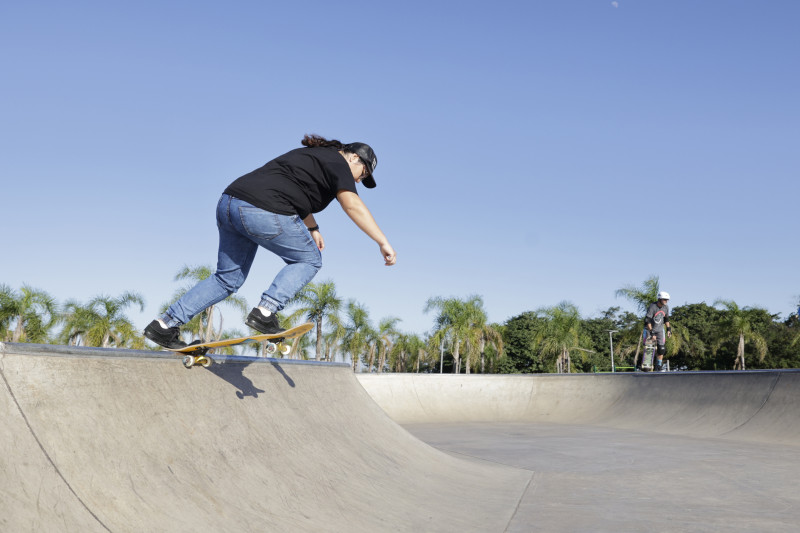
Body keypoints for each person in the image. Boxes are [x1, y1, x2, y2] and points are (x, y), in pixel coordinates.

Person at [144, 134, 397, 349]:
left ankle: (164, 325)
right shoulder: (339, 163)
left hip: (229, 203)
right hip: (261, 209)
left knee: (226, 278)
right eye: (362, 175)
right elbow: (351, 204)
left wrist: (313, 228)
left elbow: (294, 192)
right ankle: (265, 312)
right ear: (354, 157)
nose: (357, 181)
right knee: (309, 260)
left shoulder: (313, 155)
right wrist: (382, 241)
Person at [643, 291, 672, 371]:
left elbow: (666, 319)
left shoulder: (666, 307)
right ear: (659, 299)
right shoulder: (653, 306)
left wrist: (669, 329)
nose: (666, 301)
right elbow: (647, 321)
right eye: (665, 299)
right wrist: (652, 333)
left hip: (660, 330)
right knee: (649, 348)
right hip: (649, 329)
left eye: (667, 300)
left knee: (661, 349)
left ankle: (658, 366)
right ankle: (647, 366)